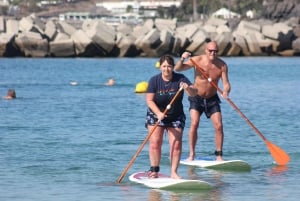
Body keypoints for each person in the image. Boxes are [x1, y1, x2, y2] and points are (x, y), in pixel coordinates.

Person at [174, 41, 231, 161]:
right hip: (196, 97)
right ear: (206, 50)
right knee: (194, 123)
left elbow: (226, 84)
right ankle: (192, 154)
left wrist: (226, 91)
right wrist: (182, 59)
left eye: (215, 51)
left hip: (212, 99)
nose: (213, 53)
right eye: (210, 50)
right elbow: (178, 69)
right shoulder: (197, 60)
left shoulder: (222, 65)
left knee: (219, 125)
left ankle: (219, 155)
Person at [145, 54, 197, 179]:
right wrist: (158, 113)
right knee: (155, 143)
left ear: (173, 67)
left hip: (175, 116)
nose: (166, 69)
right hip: (156, 114)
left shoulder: (180, 78)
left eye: (169, 66)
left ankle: (174, 172)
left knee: (176, 144)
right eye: (164, 66)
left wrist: (187, 88)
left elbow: (194, 93)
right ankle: (154, 170)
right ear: (160, 67)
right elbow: (149, 100)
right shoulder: (154, 80)